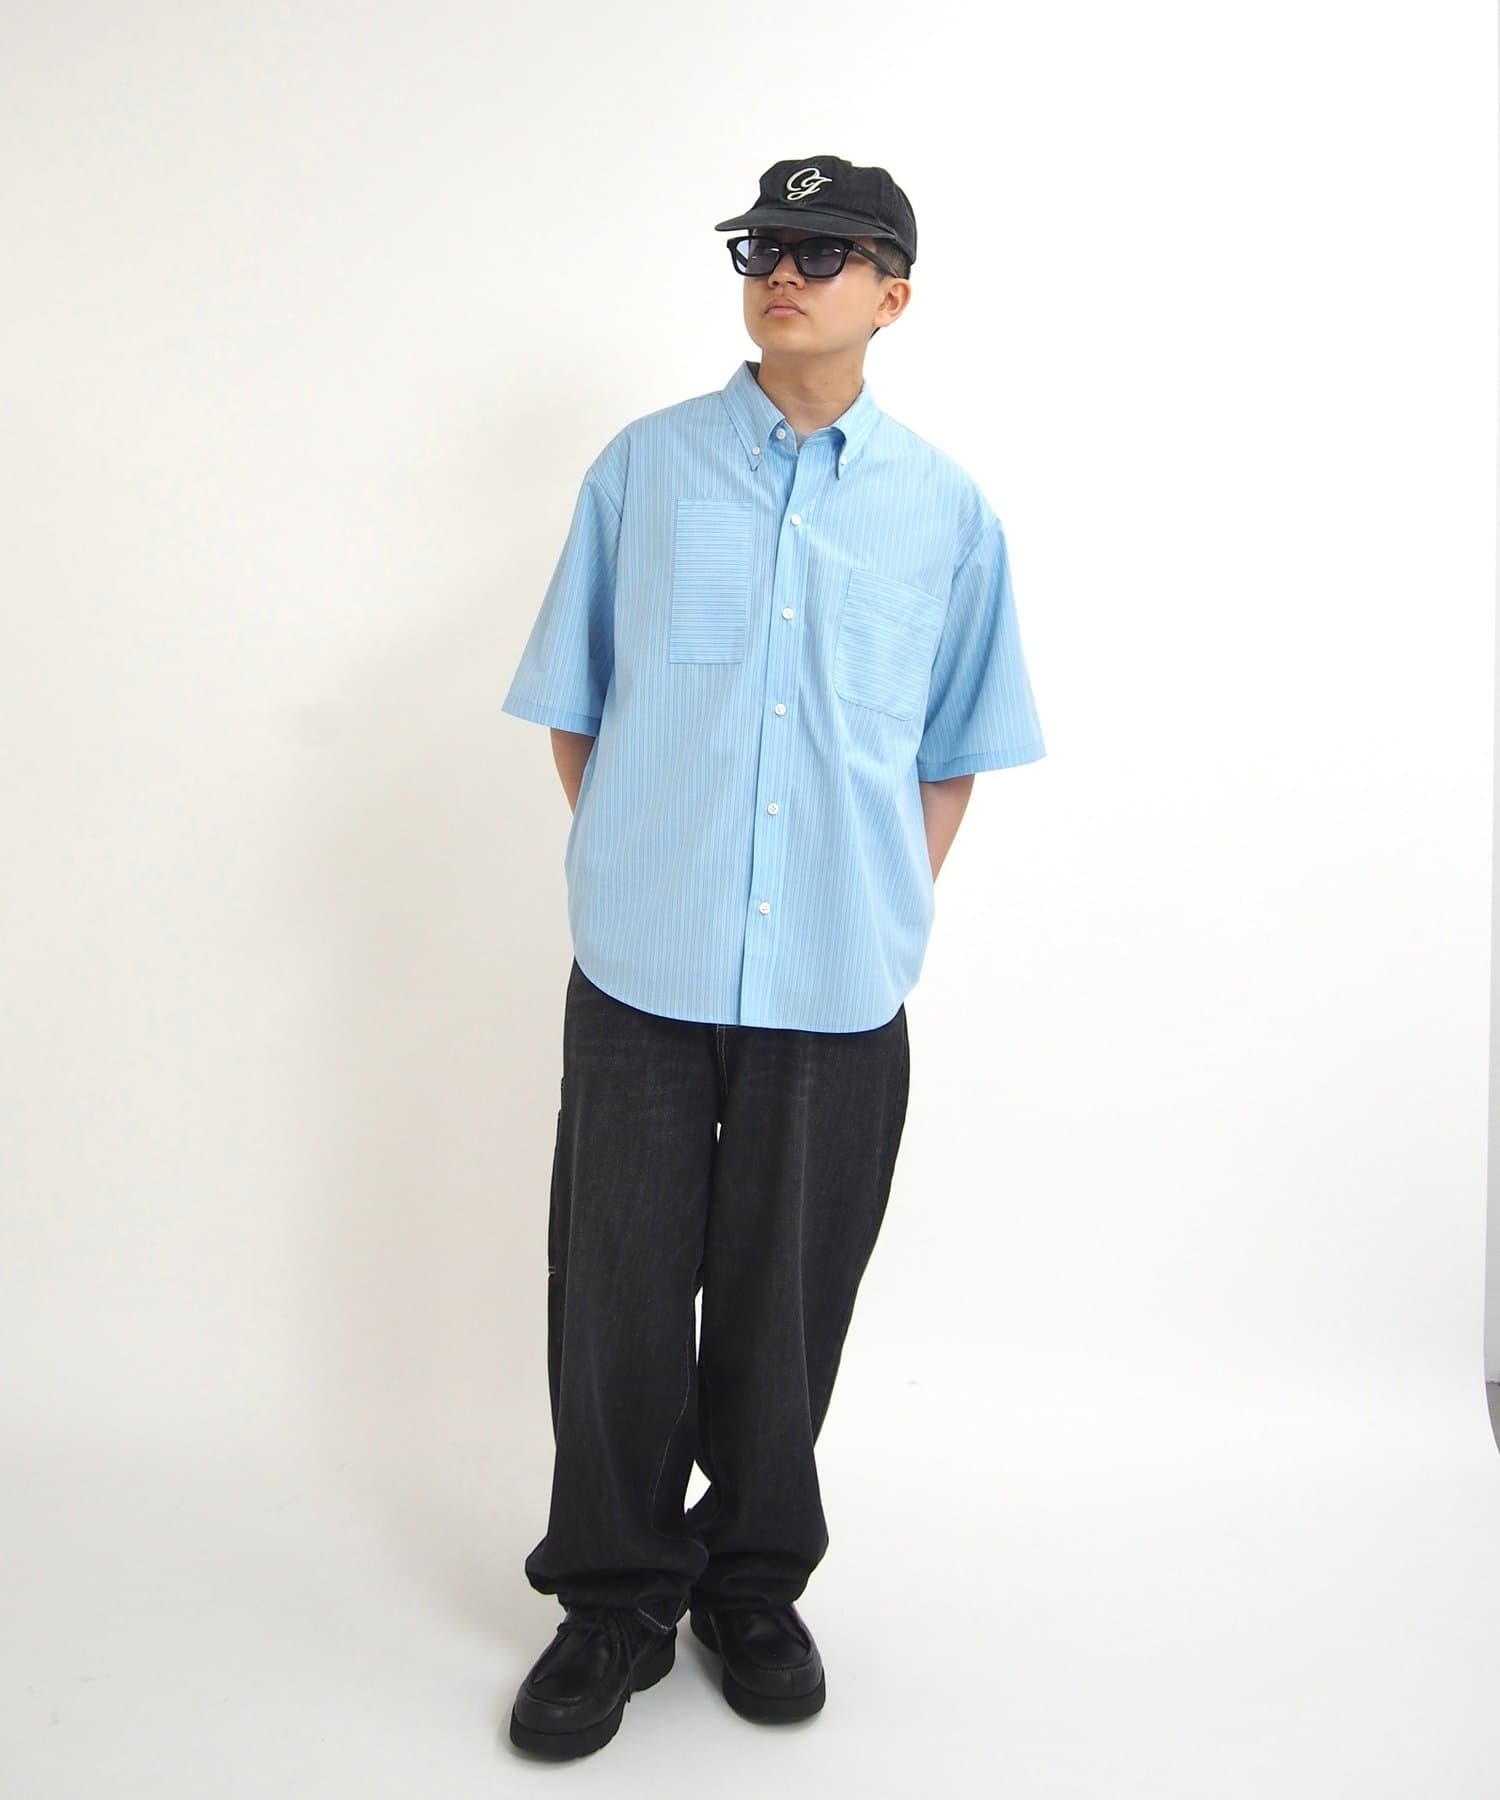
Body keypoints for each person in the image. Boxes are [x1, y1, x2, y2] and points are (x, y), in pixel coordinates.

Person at [502, 154, 1045, 1759]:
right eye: (762, 247)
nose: (783, 272)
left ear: (895, 293)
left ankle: (751, 1580)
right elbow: (578, 708)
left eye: (823, 250)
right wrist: (644, 867)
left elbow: (952, 750)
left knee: (788, 1304)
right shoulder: (645, 472)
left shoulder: (946, 512)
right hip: (643, 975)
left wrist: (871, 908)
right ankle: (613, 1599)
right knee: (614, 1298)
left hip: (838, 984)